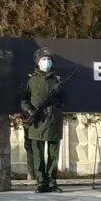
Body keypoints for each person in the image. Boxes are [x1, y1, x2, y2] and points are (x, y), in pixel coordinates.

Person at [19, 49, 65, 193]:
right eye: (44, 59)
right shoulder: (31, 80)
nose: (47, 62)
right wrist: (30, 110)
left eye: (49, 59)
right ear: (38, 62)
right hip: (37, 121)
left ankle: (52, 181)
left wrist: (58, 98)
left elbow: (64, 100)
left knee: (53, 154)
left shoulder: (57, 80)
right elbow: (23, 99)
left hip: (53, 120)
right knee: (38, 153)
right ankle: (41, 182)